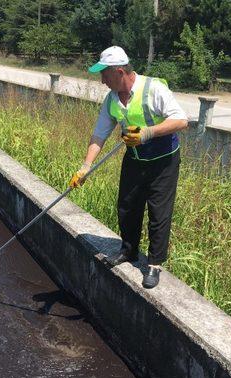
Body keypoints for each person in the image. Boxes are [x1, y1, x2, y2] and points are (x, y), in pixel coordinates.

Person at [69, 46, 188, 289]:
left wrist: (147, 133)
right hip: (134, 159)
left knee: (158, 213)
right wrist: (85, 167)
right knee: (127, 206)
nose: (102, 80)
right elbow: (99, 134)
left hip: (163, 161)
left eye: (105, 74)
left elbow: (181, 120)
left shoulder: (153, 89)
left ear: (120, 72)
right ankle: (129, 251)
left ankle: (154, 264)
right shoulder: (112, 99)